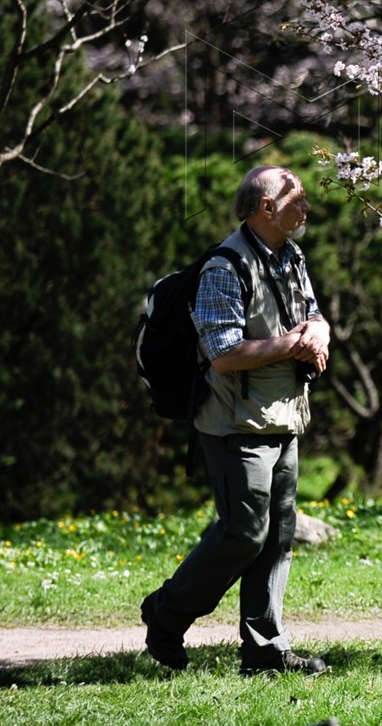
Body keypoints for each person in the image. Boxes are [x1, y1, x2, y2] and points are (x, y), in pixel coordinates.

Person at [140, 165, 333, 676]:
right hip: (233, 425)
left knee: (277, 536)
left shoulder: (291, 256)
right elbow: (223, 352)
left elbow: (311, 311)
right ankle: (166, 612)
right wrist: (296, 342)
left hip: (283, 416)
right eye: (298, 201)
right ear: (266, 208)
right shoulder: (224, 269)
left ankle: (265, 652)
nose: (307, 208)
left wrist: (321, 329)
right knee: (243, 534)